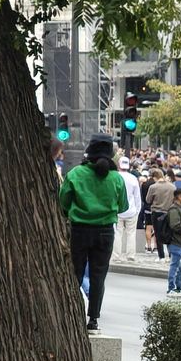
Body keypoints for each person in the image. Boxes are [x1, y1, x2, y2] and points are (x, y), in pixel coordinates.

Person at [59, 134, 127, 331]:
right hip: (105, 232)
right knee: (98, 276)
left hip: (79, 231)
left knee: (75, 274)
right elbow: (123, 206)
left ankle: (71, 314)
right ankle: (93, 320)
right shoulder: (116, 178)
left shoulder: (75, 174)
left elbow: (63, 204)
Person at [161, 183, 181, 293]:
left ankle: (179, 287)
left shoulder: (179, 208)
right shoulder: (174, 209)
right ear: (179, 197)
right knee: (175, 267)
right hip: (176, 242)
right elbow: (175, 226)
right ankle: (171, 288)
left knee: (179, 268)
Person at [116, 162, 143, 261]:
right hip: (131, 210)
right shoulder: (133, 178)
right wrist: (137, 210)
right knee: (131, 234)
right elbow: (137, 196)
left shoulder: (115, 176)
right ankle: (130, 255)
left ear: (119, 166)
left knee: (117, 233)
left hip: (117, 210)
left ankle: (116, 255)